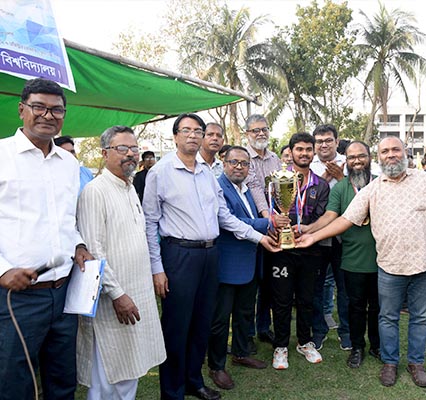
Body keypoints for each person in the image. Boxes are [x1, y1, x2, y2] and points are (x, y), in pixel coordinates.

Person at [143, 113, 279, 400]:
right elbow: (150, 222)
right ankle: (172, 391)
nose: (193, 135)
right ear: (176, 136)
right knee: (177, 326)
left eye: (198, 131)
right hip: (178, 255)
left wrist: (259, 237)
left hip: (210, 254)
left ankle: (194, 381)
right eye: (187, 130)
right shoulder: (161, 171)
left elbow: (223, 216)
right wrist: (157, 268)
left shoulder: (207, 173)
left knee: (202, 323)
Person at [297, 136, 426, 388]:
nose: (391, 154)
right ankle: (390, 362)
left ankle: (416, 363)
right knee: (386, 316)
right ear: (380, 156)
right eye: (386, 151)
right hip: (389, 266)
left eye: (396, 149)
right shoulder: (372, 189)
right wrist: (311, 236)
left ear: (405, 152)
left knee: (420, 318)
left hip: (424, 265)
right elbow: (344, 219)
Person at [0, 78, 93, 400]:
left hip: (64, 291)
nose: (48, 115)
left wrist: (79, 245)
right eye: (39, 107)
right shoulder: (2, 155)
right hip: (18, 297)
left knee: (62, 378)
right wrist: (2, 270)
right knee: (15, 382)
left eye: (57, 110)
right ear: (22, 109)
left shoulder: (68, 162)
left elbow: (67, 219)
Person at [76, 125, 166, 400]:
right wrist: (117, 294)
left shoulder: (128, 188)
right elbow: (94, 250)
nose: (131, 154)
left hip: (137, 291)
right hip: (113, 298)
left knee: (130, 366)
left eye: (134, 148)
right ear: (104, 154)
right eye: (122, 149)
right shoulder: (95, 191)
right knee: (108, 373)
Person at [301, 140, 380, 368]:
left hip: (382, 259)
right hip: (352, 258)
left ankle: (376, 345)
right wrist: (309, 229)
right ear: (346, 160)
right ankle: (357, 347)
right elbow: (329, 216)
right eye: (352, 157)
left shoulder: (381, 184)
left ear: (369, 158)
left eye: (361, 156)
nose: (356, 161)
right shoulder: (341, 188)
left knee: (377, 307)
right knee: (354, 305)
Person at [207, 146, 270, 391]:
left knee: (245, 313)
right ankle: (216, 366)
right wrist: (267, 223)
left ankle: (242, 353)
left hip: (249, 264)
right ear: (224, 163)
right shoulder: (218, 187)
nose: (239, 167)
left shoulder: (246, 190)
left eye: (244, 163)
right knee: (220, 320)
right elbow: (228, 221)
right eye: (234, 162)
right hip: (227, 266)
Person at [268, 133, 330, 370]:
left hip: (310, 250)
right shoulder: (276, 181)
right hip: (281, 250)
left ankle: (305, 342)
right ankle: (281, 345)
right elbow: (269, 210)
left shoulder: (320, 185)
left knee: (307, 299)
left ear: (313, 152)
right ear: (291, 151)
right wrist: (277, 223)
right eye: (299, 149)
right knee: (282, 300)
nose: (304, 153)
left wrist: (305, 229)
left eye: (308, 149)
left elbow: (323, 217)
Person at [309, 124, 350, 351]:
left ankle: (346, 332)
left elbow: (360, 193)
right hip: (317, 235)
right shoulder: (309, 165)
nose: (323, 145)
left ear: (336, 141)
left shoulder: (349, 161)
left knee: (345, 288)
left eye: (328, 140)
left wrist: (342, 176)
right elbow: (307, 199)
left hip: (346, 236)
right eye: (320, 141)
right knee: (316, 287)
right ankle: (318, 331)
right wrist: (325, 178)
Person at [242, 114, 282, 347]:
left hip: (274, 224)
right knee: (251, 282)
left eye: (264, 129)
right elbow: (255, 188)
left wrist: (280, 218)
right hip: (254, 224)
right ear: (247, 133)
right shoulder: (244, 157)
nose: (260, 134)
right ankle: (246, 332)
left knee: (268, 280)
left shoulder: (274, 158)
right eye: (255, 130)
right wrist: (268, 218)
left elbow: (280, 189)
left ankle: (263, 327)